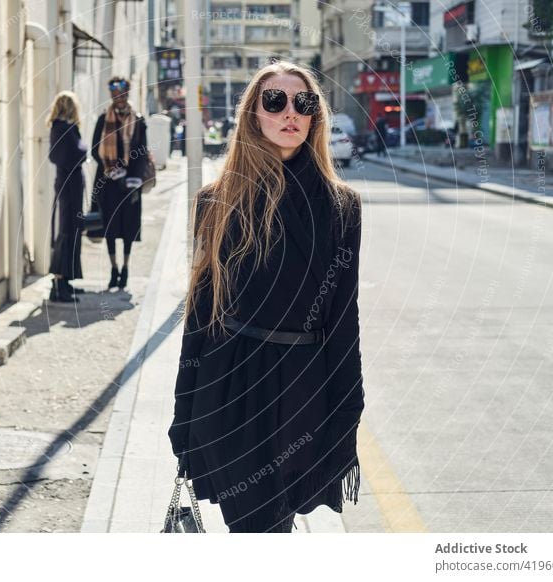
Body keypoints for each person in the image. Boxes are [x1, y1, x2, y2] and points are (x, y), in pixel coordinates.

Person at [167, 61, 365, 533]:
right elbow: (200, 314)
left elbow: (344, 317)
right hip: (230, 383)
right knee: (254, 528)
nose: (290, 112)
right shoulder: (217, 200)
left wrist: (349, 407)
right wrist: (184, 411)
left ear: (316, 116)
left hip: (304, 386)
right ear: (253, 114)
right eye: (274, 101)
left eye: (305, 103)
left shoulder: (342, 206)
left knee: (274, 525)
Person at [91, 76, 149, 290]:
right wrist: (111, 170)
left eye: (122, 94)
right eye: (115, 95)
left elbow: (142, 152)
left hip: (130, 184)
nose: (119, 98)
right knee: (110, 227)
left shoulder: (139, 121)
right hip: (108, 182)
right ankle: (113, 268)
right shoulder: (102, 120)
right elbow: (95, 151)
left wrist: (133, 177)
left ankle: (125, 268)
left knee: (127, 227)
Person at [47, 91, 88, 303]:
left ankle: (64, 281)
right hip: (68, 188)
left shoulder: (60, 128)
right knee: (66, 232)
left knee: (70, 231)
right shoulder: (63, 128)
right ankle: (58, 284)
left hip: (68, 187)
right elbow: (76, 153)